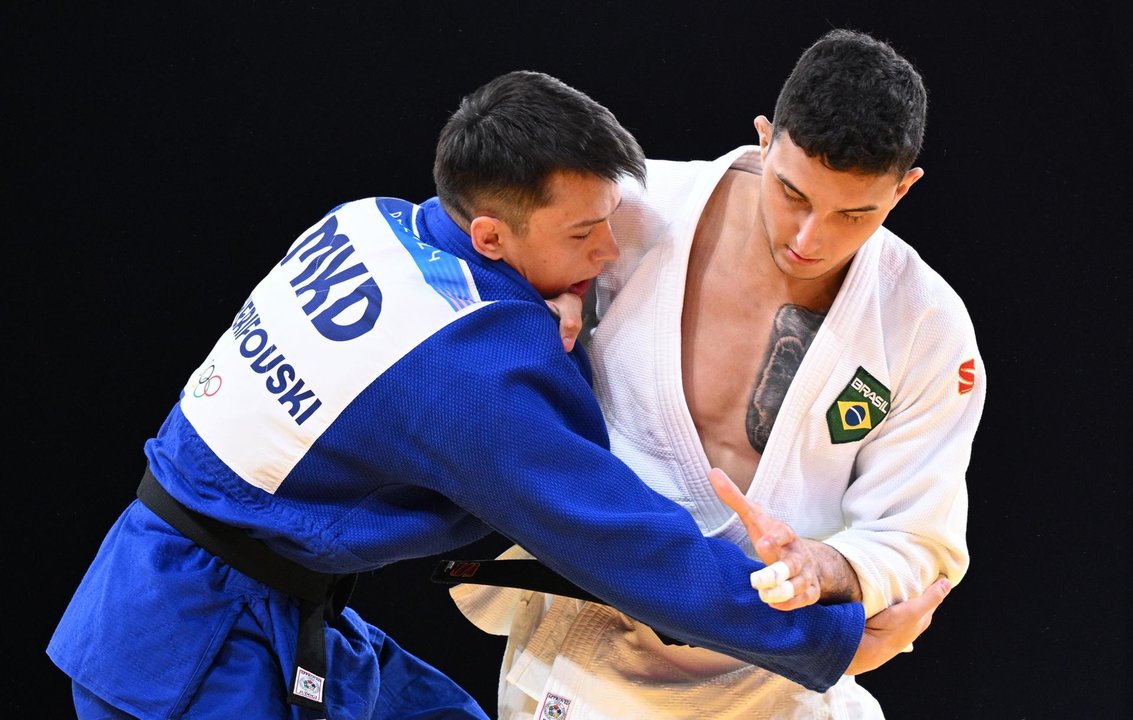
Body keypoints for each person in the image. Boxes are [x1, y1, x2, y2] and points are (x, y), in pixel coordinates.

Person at [47, 69, 940, 720]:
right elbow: (615, 534)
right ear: (490, 231)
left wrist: (524, 300)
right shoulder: (467, 368)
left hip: (240, 588)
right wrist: (834, 641)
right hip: (189, 639)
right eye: (586, 235)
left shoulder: (362, 222)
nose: (605, 257)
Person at [452, 29, 986, 719]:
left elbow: (914, 533)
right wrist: (535, 305)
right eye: (792, 192)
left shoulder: (924, 324)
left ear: (904, 188)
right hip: (592, 635)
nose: (808, 238)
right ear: (765, 139)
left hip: (773, 661)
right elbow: (478, 272)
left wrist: (827, 569)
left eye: (855, 213)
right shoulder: (631, 213)